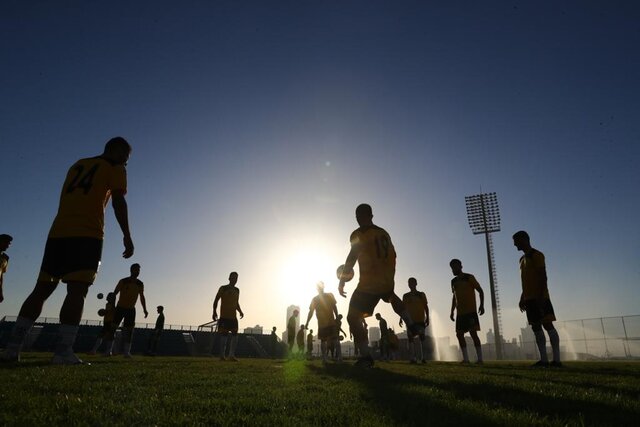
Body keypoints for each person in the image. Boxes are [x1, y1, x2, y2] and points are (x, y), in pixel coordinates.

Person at [1, 137, 134, 365]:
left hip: (57, 232)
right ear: (118, 151)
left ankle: (12, 349)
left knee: (41, 289)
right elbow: (118, 201)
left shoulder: (78, 164)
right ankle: (63, 352)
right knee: (77, 290)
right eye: (126, 157)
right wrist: (127, 236)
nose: (127, 163)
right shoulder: (115, 167)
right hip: (87, 234)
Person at [338, 203, 417, 368]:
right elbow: (394, 254)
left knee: (352, 317)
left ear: (360, 216)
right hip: (386, 278)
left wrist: (343, 279)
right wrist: (388, 275)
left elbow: (352, 256)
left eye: (358, 216)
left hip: (368, 282)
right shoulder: (384, 233)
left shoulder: (359, 233)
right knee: (390, 295)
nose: (358, 219)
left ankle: (366, 357)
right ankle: (410, 322)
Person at [513, 230, 561, 367]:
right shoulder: (521, 260)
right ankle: (544, 360)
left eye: (516, 241)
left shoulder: (537, 255)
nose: (514, 245)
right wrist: (522, 298)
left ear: (523, 239)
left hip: (540, 297)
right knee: (536, 327)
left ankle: (557, 360)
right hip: (529, 299)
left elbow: (542, 276)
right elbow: (526, 281)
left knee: (548, 324)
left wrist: (541, 296)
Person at [103, 263, 148, 357]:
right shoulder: (123, 281)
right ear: (131, 270)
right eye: (136, 269)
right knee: (113, 328)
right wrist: (112, 306)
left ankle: (126, 352)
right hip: (120, 308)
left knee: (130, 331)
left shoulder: (140, 283)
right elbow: (114, 294)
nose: (138, 272)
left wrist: (145, 309)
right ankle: (108, 351)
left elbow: (142, 297)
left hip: (131, 309)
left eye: (139, 270)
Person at [449, 259, 485, 364]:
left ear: (460, 266)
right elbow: (454, 297)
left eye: (455, 267)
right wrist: (451, 311)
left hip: (470, 312)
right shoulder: (453, 281)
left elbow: (480, 290)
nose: (453, 269)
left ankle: (480, 359)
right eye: (452, 268)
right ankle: (466, 359)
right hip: (460, 313)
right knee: (459, 335)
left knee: (473, 333)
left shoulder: (469, 277)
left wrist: (481, 305)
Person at [305, 282, 341, 363]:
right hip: (324, 323)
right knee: (329, 340)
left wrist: (337, 317)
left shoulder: (327, 296)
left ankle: (329, 358)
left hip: (327, 322)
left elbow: (334, 307)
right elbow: (311, 312)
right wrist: (307, 322)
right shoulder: (316, 299)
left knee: (328, 340)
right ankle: (331, 358)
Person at [212, 272, 244, 361]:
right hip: (224, 316)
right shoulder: (223, 288)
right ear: (229, 278)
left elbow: (236, 303)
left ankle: (231, 355)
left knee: (235, 335)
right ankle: (222, 356)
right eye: (233, 278)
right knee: (224, 335)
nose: (235, 280)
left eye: (236, 278)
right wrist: (214, 311)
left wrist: (240, 311)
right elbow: (216, 300)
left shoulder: (237, 290)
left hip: (233, 317)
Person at [400, 277, 430, 363]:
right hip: (410, 320)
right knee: (410, 337)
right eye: (409, 283)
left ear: (416, 283)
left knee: (422, 337)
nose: (411, 284)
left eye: (413, 282)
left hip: (420, 319)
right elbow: (403, 308)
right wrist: (401, 319)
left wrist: (427, 317)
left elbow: (426, 307)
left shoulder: (421, 294)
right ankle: (413, 358)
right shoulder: (405, 296)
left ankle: (423, 358)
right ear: (408, 284)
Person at [0, 234, 12, 304]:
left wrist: (1, 291)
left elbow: (1, 275)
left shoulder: (6, 258)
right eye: (6, 242)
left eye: (9, 243)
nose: (8, 245)